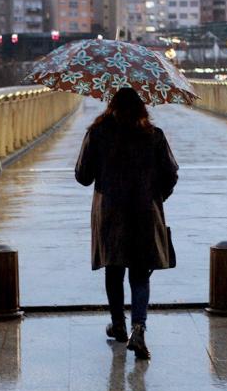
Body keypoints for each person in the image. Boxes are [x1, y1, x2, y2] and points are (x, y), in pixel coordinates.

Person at [75, 87, 179, 359]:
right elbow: (170, 174)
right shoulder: (154, 136)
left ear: (112, 107)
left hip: (110, 212)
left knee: (114, 268)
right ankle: (139, 328)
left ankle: (118, 324)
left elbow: (83, 176)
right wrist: (156, 198)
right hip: (144, 211)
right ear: (142, 109)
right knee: (140, 272)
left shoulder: (97, 134)